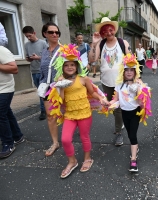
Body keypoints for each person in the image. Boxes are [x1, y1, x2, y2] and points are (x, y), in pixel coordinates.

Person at [46, 44, 108, 178]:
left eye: (72, 65)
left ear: (77, 66)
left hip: (85, 113)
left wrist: (102, 99)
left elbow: (92, 93)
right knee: (65, 139)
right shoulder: (60, 82)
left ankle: (87, 158)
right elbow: (61, 100)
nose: (69, 67)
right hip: (70, 115)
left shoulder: (83, 79)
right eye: (66, 65)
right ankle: (72, 161)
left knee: (84, 137)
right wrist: (61, 86)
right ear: (62, 67)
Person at [88, 17, 130, 146]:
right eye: (105, 31)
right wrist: (94, 44)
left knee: (118, 108)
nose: (109, 33)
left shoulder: (123, 43)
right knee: (111, 106)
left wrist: (133, 79)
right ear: (102, 33)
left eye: (111, 30)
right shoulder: (101, 44)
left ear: (114, 30)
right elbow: (92, 60)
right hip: (106, 81)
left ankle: (118, 133)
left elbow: (130, 61)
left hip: (120, 82)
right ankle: (120, 123)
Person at [109, 53, 152, 172]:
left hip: (135, 113)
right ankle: (135, 148)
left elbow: (142, 102)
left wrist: (138, 90)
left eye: (131, 70)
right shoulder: (119, 85)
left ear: (135, 71)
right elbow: (115, 99)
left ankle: (133, 159)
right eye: (126, 70)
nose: (129, 72)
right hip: (124, 112)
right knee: (129, 133)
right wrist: (109, 104)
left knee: (132, 135)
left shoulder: (138, 84)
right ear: (123, 71)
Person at [0, 25, 24, 159]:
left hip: (4, 89)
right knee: (6, 113)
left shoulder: (1, 50)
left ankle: (8, 143)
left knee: (0, 115)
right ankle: (18, 136)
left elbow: (14, 68)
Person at [40, 22, 61, 156]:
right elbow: (43, 70)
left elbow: (76, 68)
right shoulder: (44, 51)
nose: (54, 34)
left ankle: (73, 136)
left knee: (69, 114)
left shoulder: (65, 50)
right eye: (51, 32)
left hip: (63, 88)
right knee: (50, 116)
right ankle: (55, 142)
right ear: (45, 34)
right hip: (47, 88)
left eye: (57, 32)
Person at [22, 26, 48, 120]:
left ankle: (43, 111)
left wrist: (38, 58)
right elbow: (29, 59)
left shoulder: (43, 43)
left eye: (29, 35)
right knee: (40, 91)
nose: (28, 38)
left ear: (34, 33)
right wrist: (28, 59)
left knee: (43, 91)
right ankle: (46, 107)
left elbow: (48, 57)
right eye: (26, 36)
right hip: (34, 71)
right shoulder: (27, 45)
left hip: (43, 71)